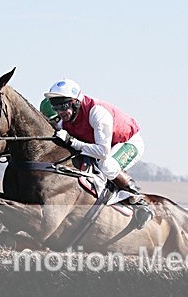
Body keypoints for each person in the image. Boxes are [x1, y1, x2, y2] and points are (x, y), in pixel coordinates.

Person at [42, 78, 154, 229]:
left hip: (127, 143)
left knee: (106, 165)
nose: (60, 112)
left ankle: (139, 200)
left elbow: (102, 152)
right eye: (56, 107)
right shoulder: (64, 120)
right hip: (102, 145)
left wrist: (72, 141)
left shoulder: (97, 113)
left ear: (75, 102)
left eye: (63, 106)